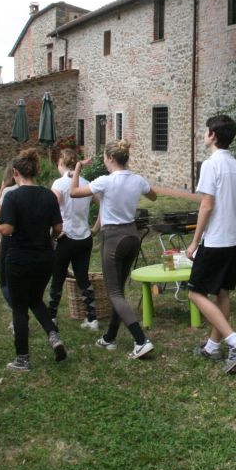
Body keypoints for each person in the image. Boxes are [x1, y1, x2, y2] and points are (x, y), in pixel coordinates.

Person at [71, 139, 157, 359]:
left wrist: (78, 168)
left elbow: (74, 192)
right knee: (118, 288)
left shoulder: (104, 181)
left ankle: (141, 340)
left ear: (110, 159)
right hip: (132, 236)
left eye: (104, 159)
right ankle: (110, 336)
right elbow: (153, 196)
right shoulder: (137, 180)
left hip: (113, 237)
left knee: (114, 292)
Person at [0, 148, 66, 370]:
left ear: (16, 172)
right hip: (45, 258)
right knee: (36, 300)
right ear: (35, 171)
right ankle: (54, 336)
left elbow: (7, 230)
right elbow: (58, 228)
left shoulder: (12, 196)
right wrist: (49, 237)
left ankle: (22, 359)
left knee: (19, 308)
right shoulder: (48, 195)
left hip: (19, 258)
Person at [186, 115, 236, 374]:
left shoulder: (211, 165)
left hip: (216, 241)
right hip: (234, 239)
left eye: (205, 131)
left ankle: (235, 342)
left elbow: (207, 204)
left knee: (195, 293)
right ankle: (212, 346)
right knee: (222, 293)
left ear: (212, 135)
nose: (204, 135)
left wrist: (194, 241)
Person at [47, 148, 100, 330]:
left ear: (60, 162)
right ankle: (92, 319)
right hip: (84, 236)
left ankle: (52, 317)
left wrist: (51, 231)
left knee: (58, 277)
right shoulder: (86, 184)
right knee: (83, 278)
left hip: (65, 236)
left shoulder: (59, 184)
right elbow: (102, 205)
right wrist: (95, 228)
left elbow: (50, 205)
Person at [0, 162, 17, 307]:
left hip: (9, 238)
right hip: (27, 238)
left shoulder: (9, 191)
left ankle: (16, 309)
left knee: (5, 280)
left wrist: (2, 187)